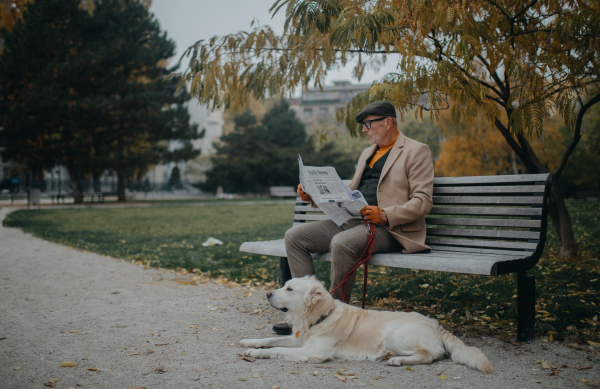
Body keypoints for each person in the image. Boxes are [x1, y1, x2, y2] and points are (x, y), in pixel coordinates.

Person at [272, 101, 435, 335]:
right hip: (354, 220)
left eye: (368, 124)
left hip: (388, 228)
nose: (364, 130)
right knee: (295, 237)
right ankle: (302, 313)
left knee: (342, 243)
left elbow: (422, 201)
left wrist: (385, 214)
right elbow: (350, 193)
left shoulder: (416, 150)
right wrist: (313, 197)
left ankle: (334, 317)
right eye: (363, 125)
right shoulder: (367, 153)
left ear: (388, 122)